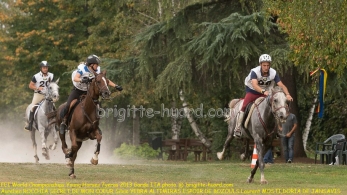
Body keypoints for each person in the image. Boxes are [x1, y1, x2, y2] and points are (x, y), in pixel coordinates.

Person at [233, 54, 293, 138]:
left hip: (266, 91)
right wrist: (262, 91)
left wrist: (288, 94)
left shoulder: (273, 73)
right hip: (252, 91)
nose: (266, 67)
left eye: (268, 65)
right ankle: (238, 128)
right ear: (260, 65)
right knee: (244, 106)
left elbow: (281, 85)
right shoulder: (254, 71)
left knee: (274, 106)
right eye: (264, 65)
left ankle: (277, 129)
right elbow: (254, 85)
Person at [59, 54, 123, 134]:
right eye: (96, 64)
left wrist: (116, 86)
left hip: (87, 91)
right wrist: (82, 80)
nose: (98, 66)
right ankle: (64, 123)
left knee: (98, 106)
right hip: (77, 90)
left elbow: (105, 80)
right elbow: (75, 78)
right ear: (91, 65)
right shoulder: (82, 69)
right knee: (68, 105)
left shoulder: (97, 70)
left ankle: (96, 125)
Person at [25, 61, 54, 131]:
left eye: (46, 67)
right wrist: (37, 88)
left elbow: (53, 84)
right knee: (32, 107)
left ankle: (55, 124)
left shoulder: (51, 75)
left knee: (54, 108)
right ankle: (30, 124)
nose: (45, 69)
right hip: (38, 94)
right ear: (41, 68)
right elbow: (30, 85)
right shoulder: (36, 76)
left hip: (48, 95)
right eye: (44, 68)